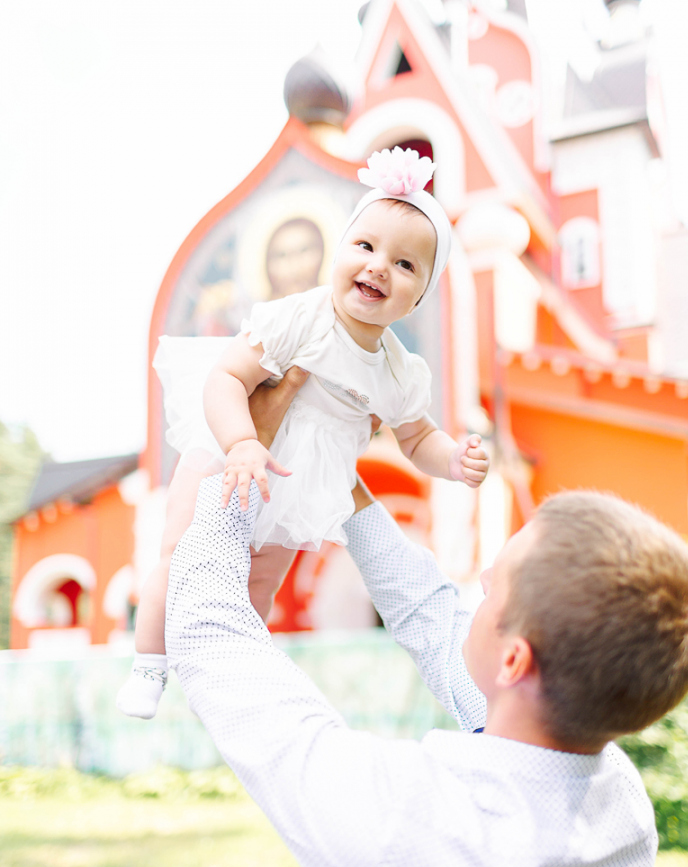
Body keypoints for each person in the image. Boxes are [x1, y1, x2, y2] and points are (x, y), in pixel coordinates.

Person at [163, 389, 688, 867]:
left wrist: (231, 467)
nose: (477, 579)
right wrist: (345, 486)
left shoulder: (400, 821)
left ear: (516, 659)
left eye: (495, 586)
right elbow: (433, 612)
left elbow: (210, 633)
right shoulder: (624, 819)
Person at [117, 146, 489, 719]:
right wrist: (242, 442)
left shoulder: (397, 369)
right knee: (181, 552)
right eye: (365, 247)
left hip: (299, 487)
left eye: (405, 264)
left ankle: (224, 673)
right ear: (339, 252)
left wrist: (454, 461)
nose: (378, 266)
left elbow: (417, 439)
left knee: (257, 587)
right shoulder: (301, 317)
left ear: (419, 296)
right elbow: (226, 378)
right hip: (231, 452)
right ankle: (148, 662)